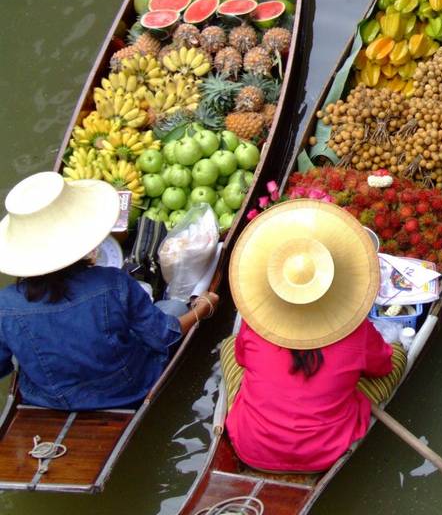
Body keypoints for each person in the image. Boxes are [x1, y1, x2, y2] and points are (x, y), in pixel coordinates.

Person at [0, 172, 220, 411]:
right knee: (175, 306)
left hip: (47, 400)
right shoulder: (113, 283)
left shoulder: (6, 304)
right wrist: (201, 310)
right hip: (126, 390)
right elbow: (162, 335)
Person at [221, 199, 406, 473]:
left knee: (229, 346)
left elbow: (242, 357)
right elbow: (383, 367)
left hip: (250, 446)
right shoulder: (356, 333)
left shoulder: (257, 325)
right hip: (326, 452)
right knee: (398, 355)